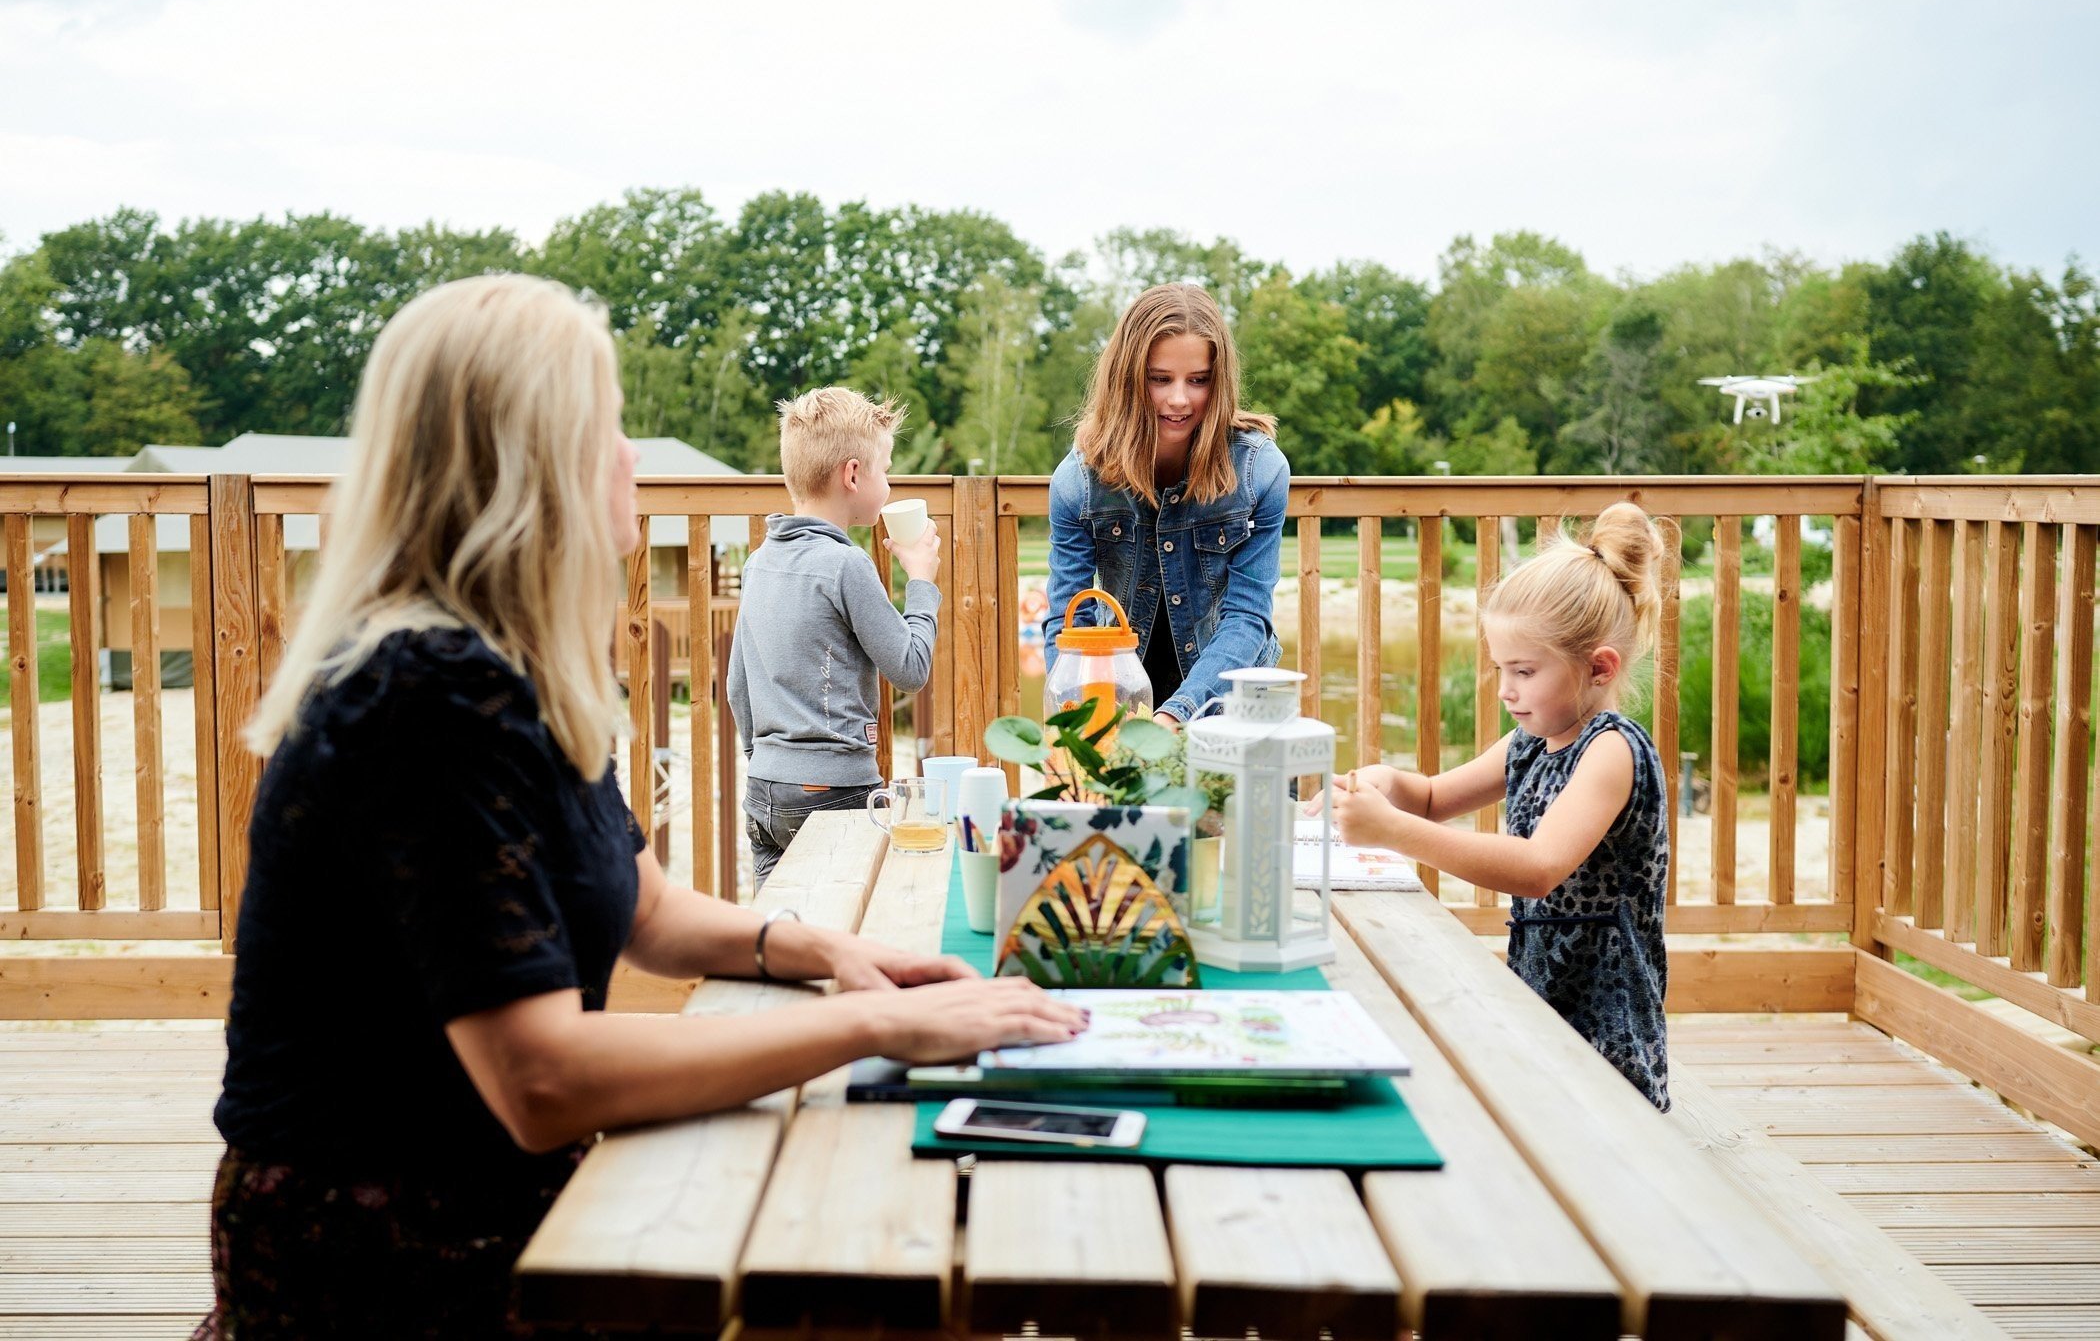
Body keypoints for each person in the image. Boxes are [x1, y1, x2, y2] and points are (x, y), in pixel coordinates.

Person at [204, 276, 1084, 1340]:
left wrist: (837, 954)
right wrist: (873, 1025)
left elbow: (651, 912)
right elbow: (541, 1077)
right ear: (531, 463)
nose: (631, 454)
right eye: (609, 425)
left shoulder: (510, 667)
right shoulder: (423, 695)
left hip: (507, 1205)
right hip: (390, 1259)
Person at [1314, 503, 1672, 1110]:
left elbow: (1537, 867)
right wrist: (1382, 783)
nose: (1506, 689)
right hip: (1542, 987)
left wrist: (1391, 831)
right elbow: (1432, 798)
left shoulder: (1612, 751)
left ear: (1598, 667)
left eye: (1524, 671)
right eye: (1501, 669)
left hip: (1605, 1015)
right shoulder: (1529, 743)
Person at [1044, 283, 1289, 730]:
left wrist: (1176, 713)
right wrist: (1078, 726)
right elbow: (1068, 623)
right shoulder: (1077, 483)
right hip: (1120, 703)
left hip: (1232, 707)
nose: (1179, 399)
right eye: (1160, 379)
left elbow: (1248, 617)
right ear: (1128, 378)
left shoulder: (1260, 472)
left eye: (1198, 380)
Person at [728, 387, 939, 884]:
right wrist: (922, 581)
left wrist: (770, 762)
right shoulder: (847, 564)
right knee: (845, 916)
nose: (888, 483)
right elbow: (911, 669)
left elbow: (738, 686)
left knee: (779, 920)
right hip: (836, 791)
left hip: (766, 789)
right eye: (885, 469)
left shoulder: (759, 562)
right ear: (853, 474)